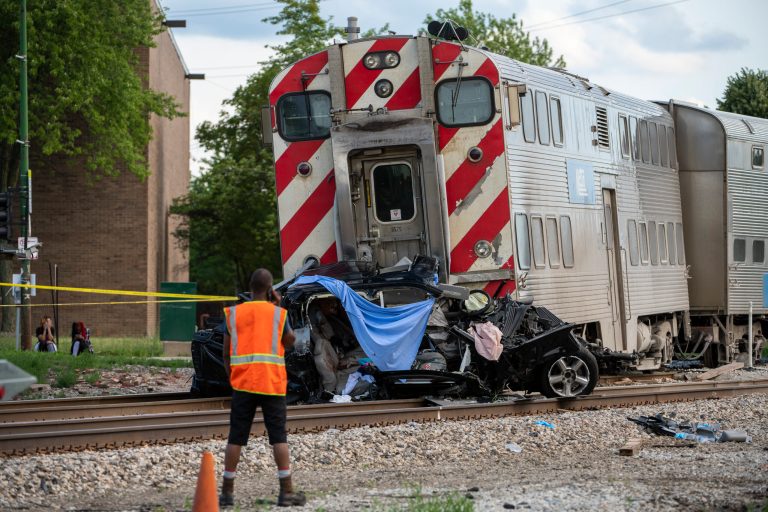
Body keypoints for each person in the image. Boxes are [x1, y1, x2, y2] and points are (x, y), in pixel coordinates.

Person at [219, 269, 306, 508]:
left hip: (243, 383)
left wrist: (233, 377)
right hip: (271, 383)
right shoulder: (278, 314)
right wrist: (277, 305)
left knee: (236, 437)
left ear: (249, 287)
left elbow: (225, 352)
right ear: (270, 290)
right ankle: (286, 492)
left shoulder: (234, 314)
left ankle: (227, 493)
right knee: (278, 437)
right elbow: (290, 343)